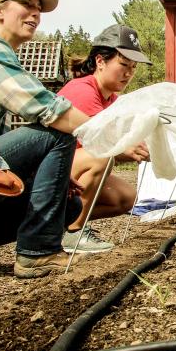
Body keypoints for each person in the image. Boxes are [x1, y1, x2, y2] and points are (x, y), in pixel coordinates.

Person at [0, 0, 91, 278]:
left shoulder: (0, 56)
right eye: (27, 5)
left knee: (67, 203)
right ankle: (38, 253)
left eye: (39, 9)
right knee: (57, 132)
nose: (35, 14)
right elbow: (48, 109)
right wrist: (114, 134)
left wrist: (51, 176)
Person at [57, 25, 152, 253]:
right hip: (46, 174)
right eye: (123, 65)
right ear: (100, 61)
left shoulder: (110, 100)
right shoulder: (83, 90)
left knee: (125, 198)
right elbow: (97, 144)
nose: (128, 73)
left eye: (133, 67)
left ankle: (55, 225)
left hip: (67, 173)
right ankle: (73, 231)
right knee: (102, 158)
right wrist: (126, 149)